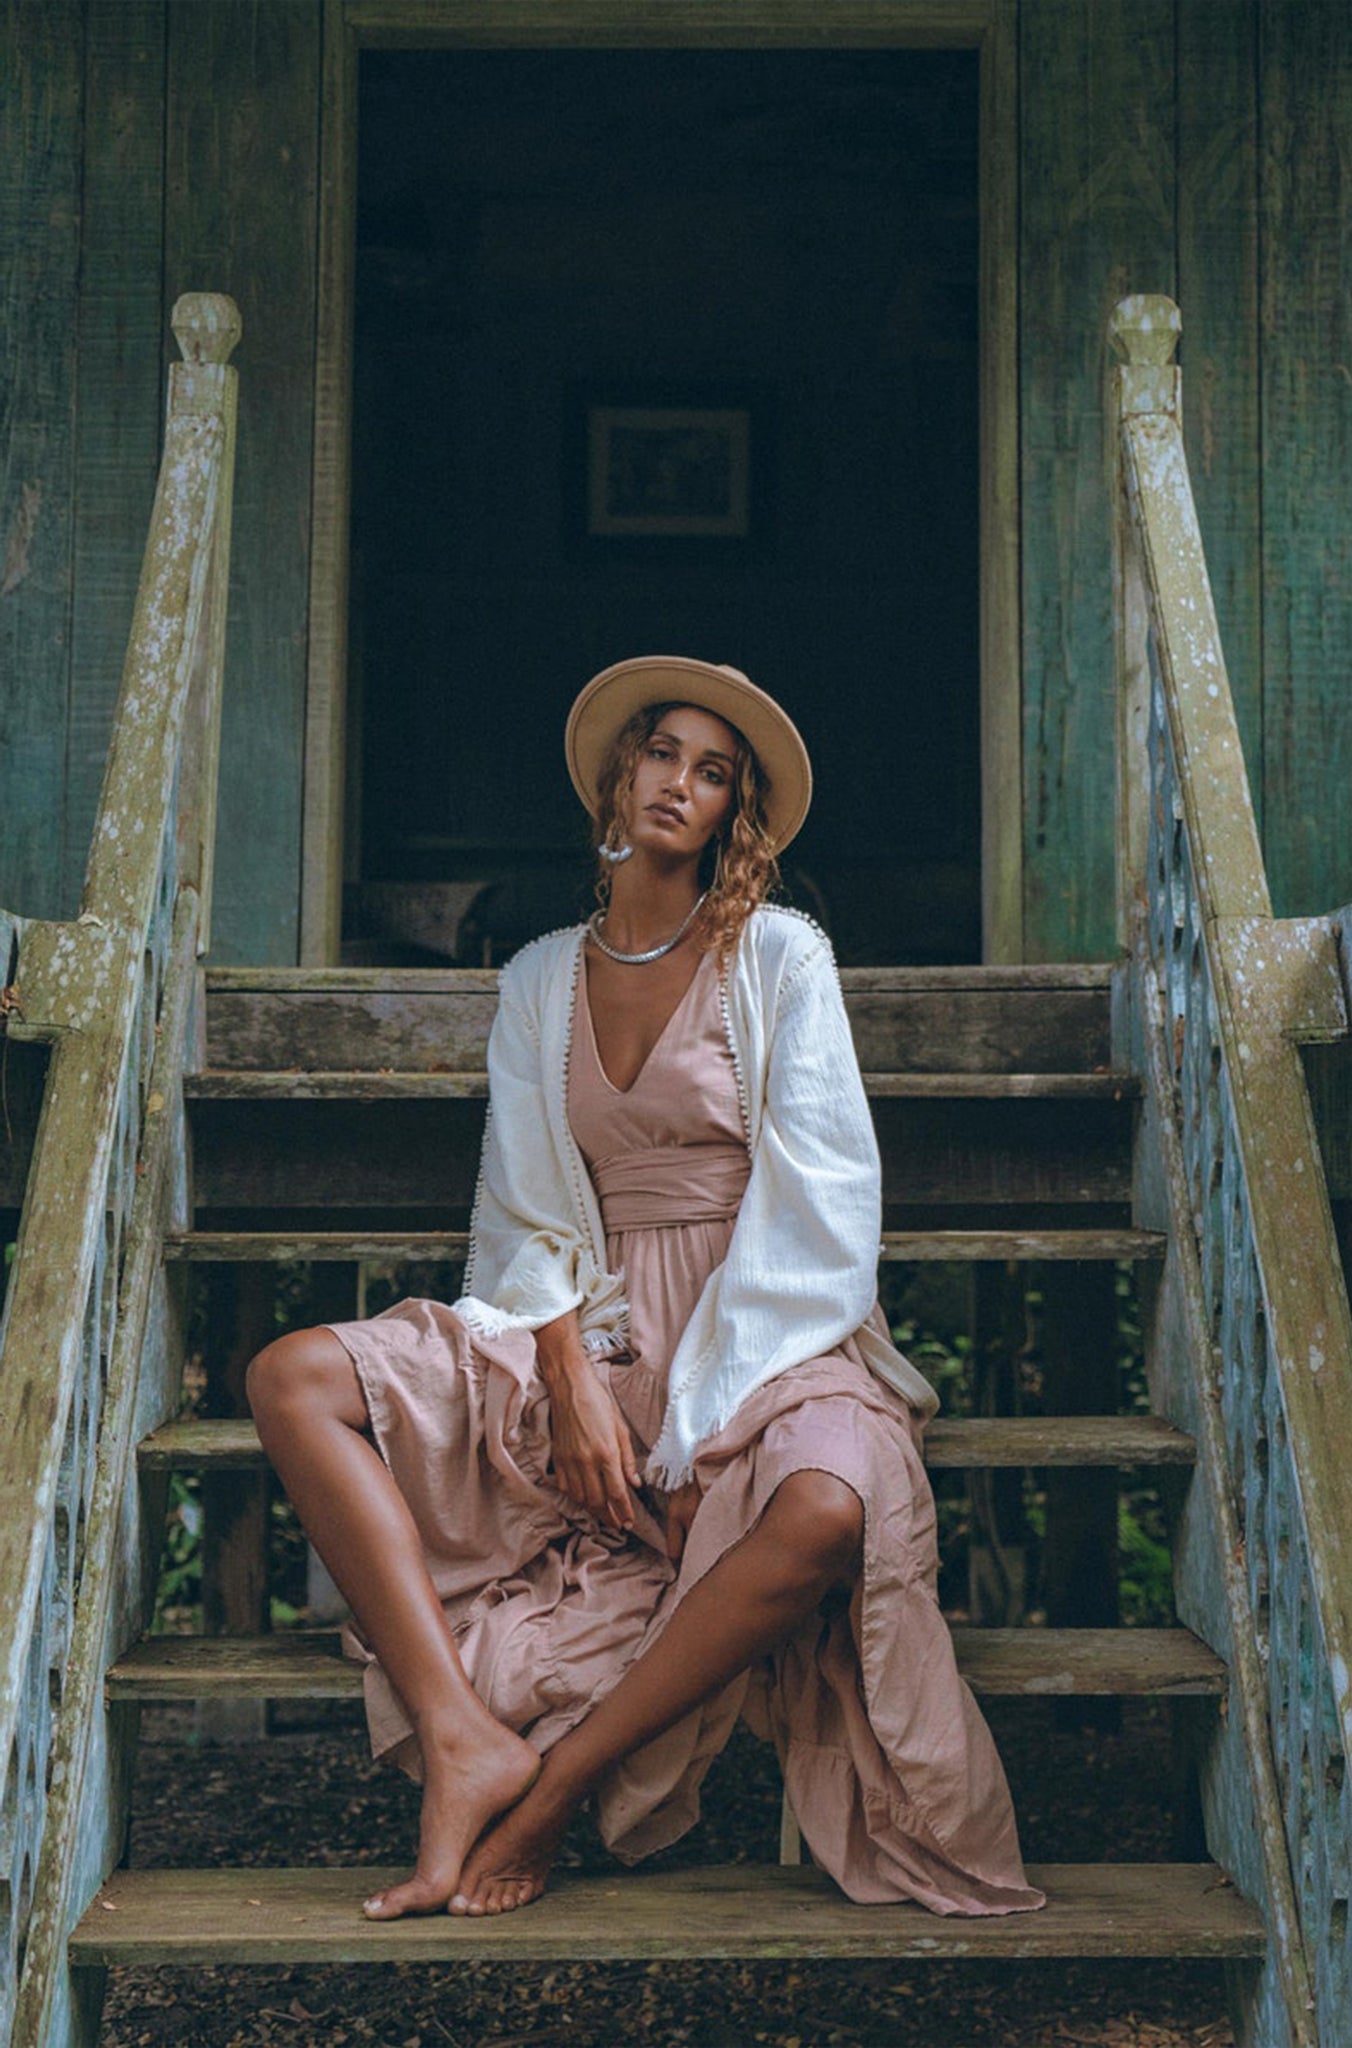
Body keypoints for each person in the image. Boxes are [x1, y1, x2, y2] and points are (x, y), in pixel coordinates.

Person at [247, 656, 1045, 1924]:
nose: (681, 781)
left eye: (714, 770)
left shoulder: (778, 954)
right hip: (591, 1318)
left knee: (828, 1509)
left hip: (773, 1326)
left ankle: (559, 1779)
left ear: (734, 809)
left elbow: (823, 1207)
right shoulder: (536, 977)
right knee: (290, 1378)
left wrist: (696, 1411)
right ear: (619, 774)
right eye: (663, 752)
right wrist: (568, 1372)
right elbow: (522, 1202)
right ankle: (464, 1740)